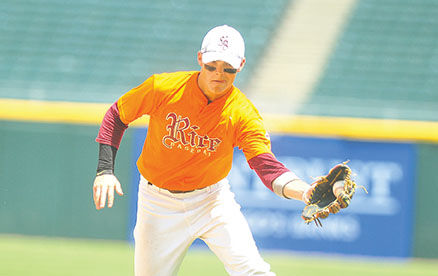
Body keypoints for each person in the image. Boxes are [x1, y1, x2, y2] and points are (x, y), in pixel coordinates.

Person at [92, 25, 337, 276]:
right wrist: (105, 170)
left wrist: (306, 192)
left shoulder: (243, 113)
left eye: (228, 68)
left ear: (241, 65)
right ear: (200, 58)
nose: (219, 74)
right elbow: (117, 115)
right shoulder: (163, 88)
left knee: (254, 271)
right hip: (158, 203)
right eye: (212, 65)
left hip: (211, 201)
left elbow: (266, 166)